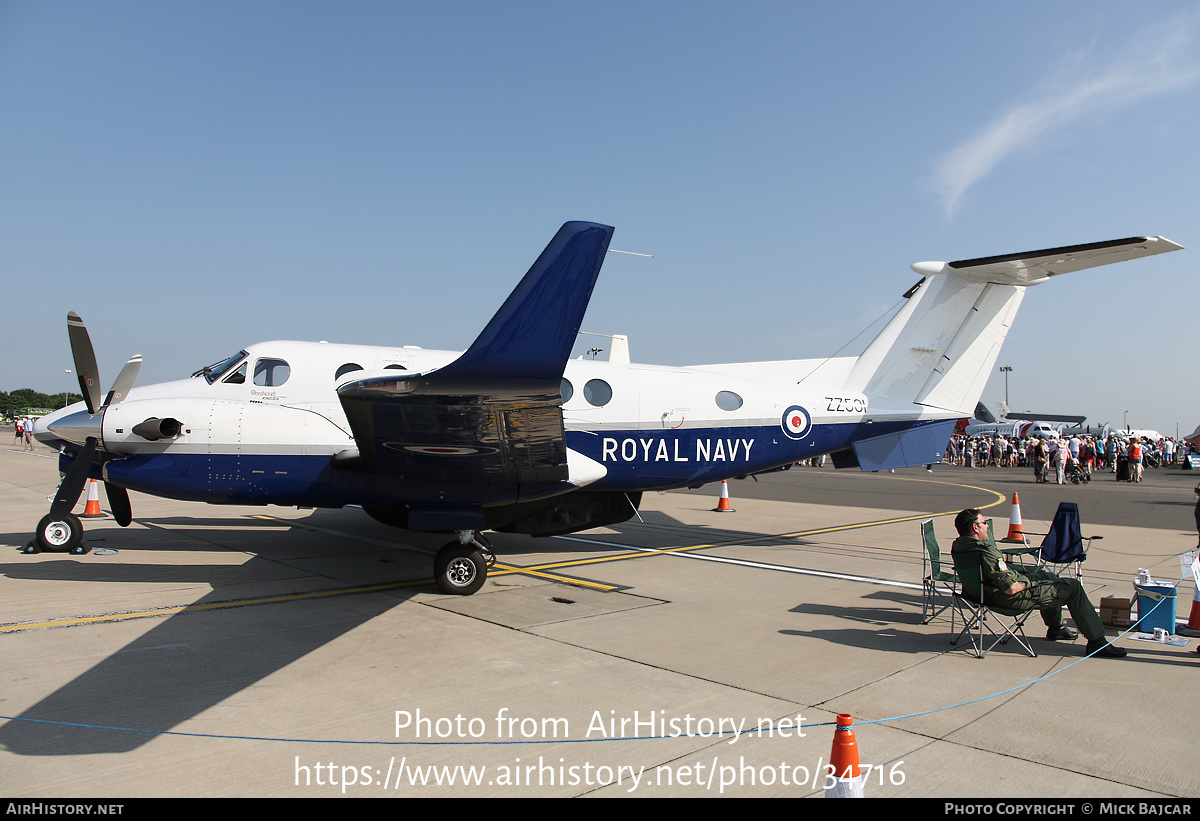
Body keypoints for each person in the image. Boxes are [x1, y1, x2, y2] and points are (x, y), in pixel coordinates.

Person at [951, 508, 1126, 658]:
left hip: (982, 595)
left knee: (1046, 577)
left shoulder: (959, 546)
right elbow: (1011, 588)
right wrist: (1027, 581)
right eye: (984, 523)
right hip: (1007, 599)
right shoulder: (986, 551)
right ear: (975, 527)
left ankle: (1056, 627)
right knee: (1073, 587)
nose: (987, 526)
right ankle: (1097, 642)